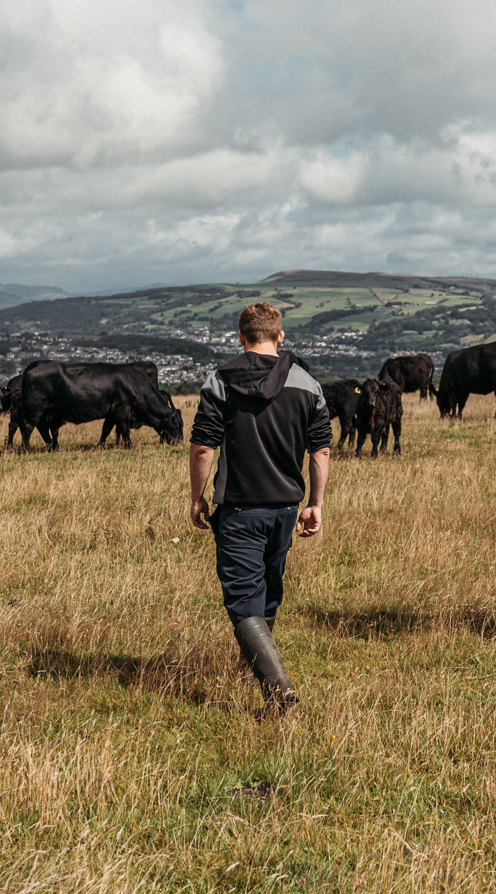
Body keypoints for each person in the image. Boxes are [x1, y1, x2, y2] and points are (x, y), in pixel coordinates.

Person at [188, 301, 331, 713]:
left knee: (242, 599)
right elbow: (320, 451)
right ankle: (255, 669)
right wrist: (315, 504)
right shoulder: (307, 383)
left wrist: (197, 497)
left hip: (238, 510)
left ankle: (277, 690)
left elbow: (202, 448)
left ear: (241, 337)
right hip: (286, 508)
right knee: (267, 594)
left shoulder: (221, 380)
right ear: (279, 336)